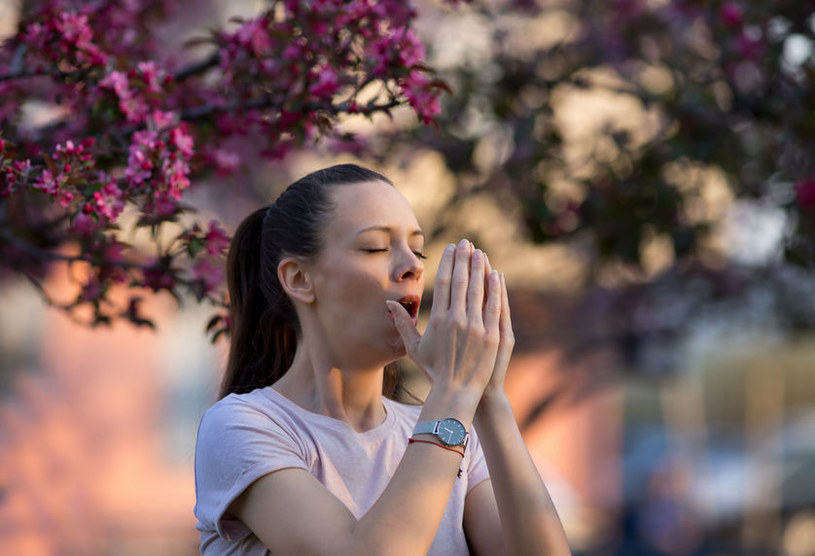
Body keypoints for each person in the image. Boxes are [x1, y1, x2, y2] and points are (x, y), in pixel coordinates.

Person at [193, 164, 571, 555]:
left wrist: (488, 398)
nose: (414, 266)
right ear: (299, 279)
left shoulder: (453, 431)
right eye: (376, 247)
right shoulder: (242, 426)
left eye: (417, 249)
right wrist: (454, 390)